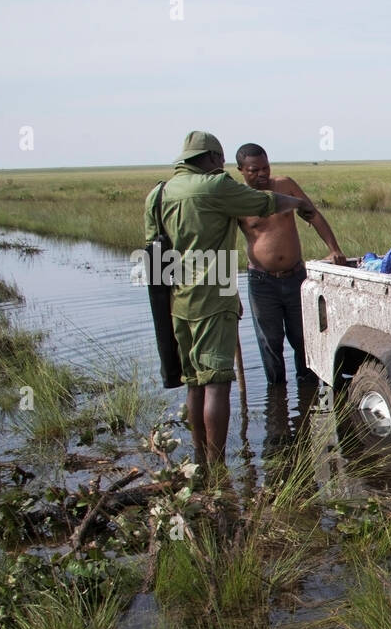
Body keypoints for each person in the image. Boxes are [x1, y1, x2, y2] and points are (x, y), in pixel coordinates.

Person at [144, 131, 313, 468]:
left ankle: (200, 458)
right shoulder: (215, 186)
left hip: (176, 299)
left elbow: (153, 253)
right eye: (219, 160)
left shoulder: (158, 194)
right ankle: (218, 466)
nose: (221, 166)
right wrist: (298, 203)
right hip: (213, 292)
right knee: (218, 382)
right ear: (208, 158)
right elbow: (265, 202)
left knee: (194, 382)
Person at [235, 143, 346, 386]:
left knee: (303, 337)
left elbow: (312, 213)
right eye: (254, 170)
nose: (262, 174)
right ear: (241, 170)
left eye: (265, 167)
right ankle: (277, 399)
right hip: (262, 282)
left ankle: (307, 395)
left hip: (296, 277)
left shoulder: (285, 186)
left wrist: (334, 248)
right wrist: (228, 294)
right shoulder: (237, 200)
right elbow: (220, 244)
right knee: (270, 342)